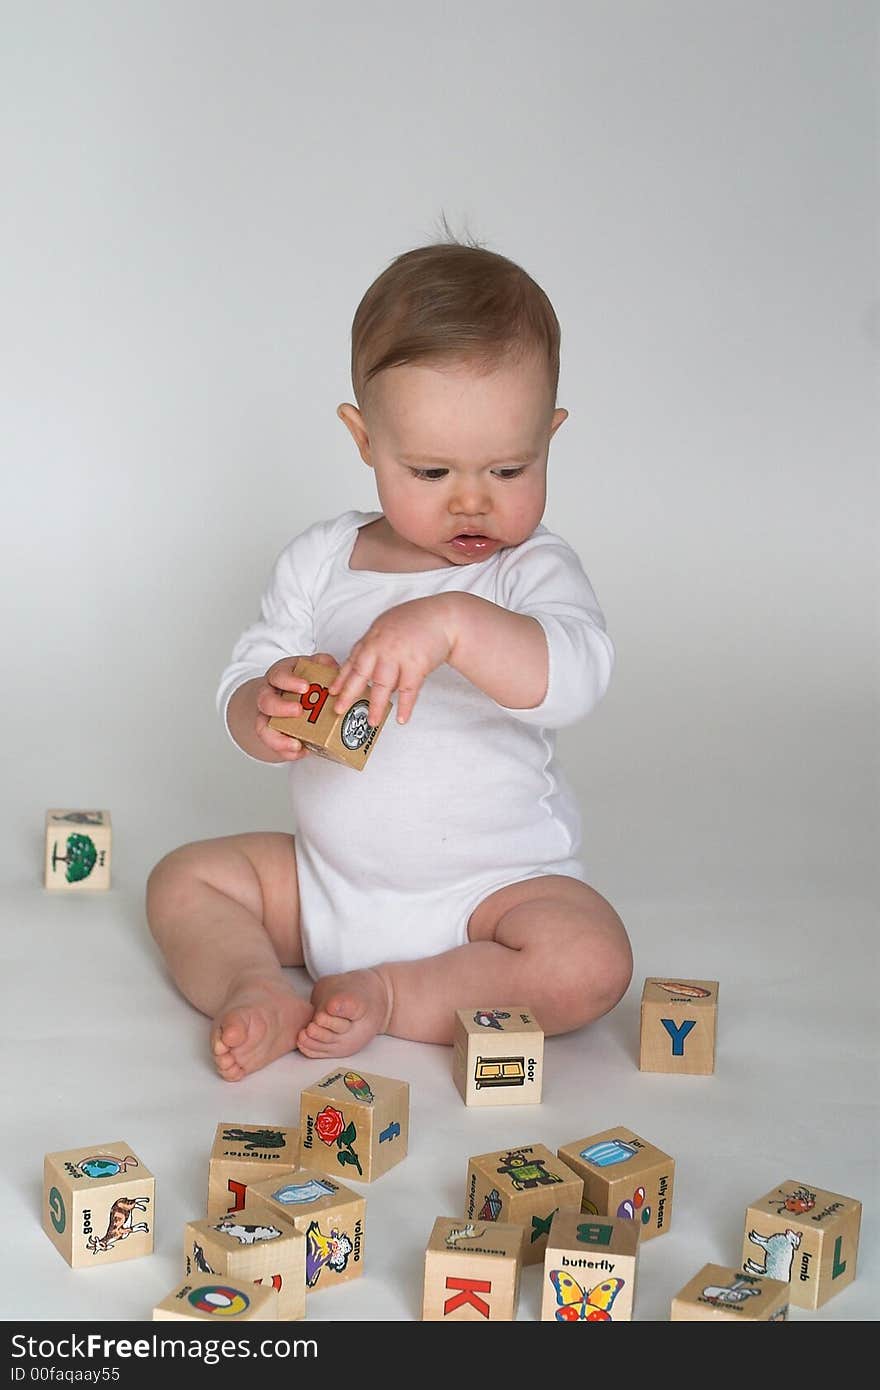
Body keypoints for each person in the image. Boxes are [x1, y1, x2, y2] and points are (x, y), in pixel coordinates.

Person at [146, 236, 633, 1080]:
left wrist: (453, 624)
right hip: (325, 883)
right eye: (431, 469)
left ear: (550, 437)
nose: (472, 499)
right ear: (365, 439)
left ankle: (396, 994)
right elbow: (249, 669)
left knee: (590, 959)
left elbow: (577, 671)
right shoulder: (322, 561)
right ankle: (257, 983)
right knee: (182, 881)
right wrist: (261, 705)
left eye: (511, 467)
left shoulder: (527, 568)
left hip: (492, 899)